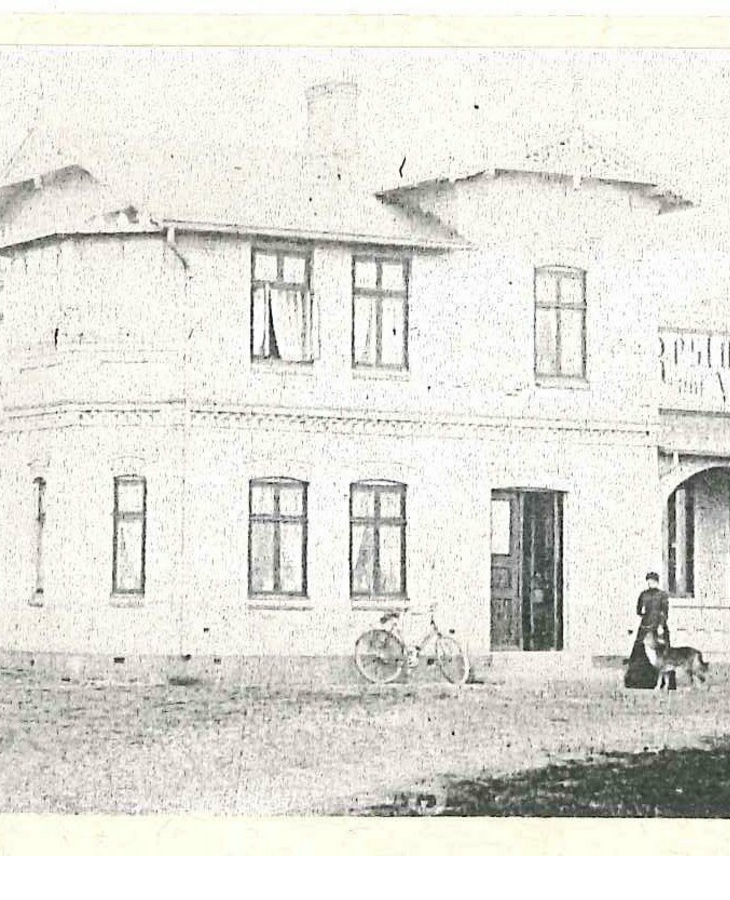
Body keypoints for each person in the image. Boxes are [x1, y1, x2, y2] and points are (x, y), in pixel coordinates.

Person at [625, 572, 674, 689]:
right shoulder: (643, 594)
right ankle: (639, 682)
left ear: (657, 582)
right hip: (645, 626)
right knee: (640, 651)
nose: (650, 583)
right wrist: (642, 615)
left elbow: (664, 612)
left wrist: (661, 625)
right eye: (648, 581)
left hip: (658, 627)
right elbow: (638, 610)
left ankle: (664, 682)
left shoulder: (662, 595)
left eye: (652, 581)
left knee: (663, 655)